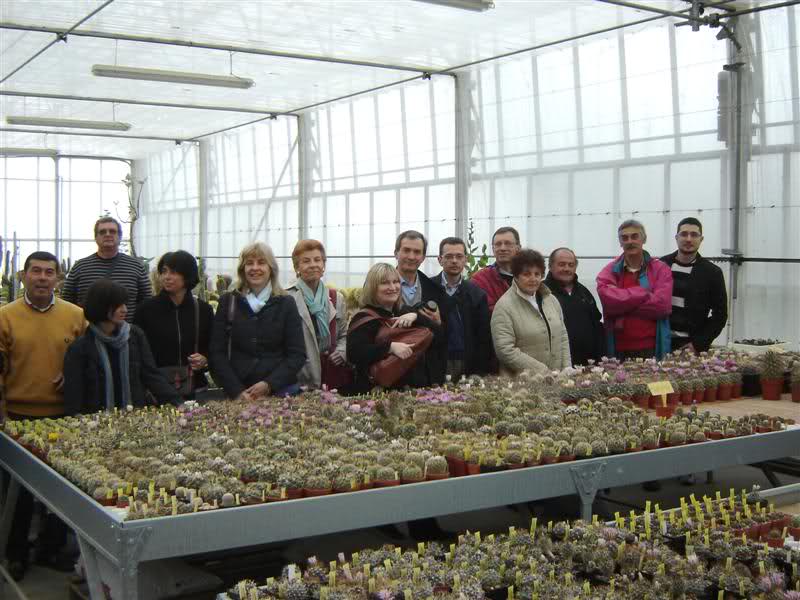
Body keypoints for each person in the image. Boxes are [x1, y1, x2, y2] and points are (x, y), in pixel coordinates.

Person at [0, 252, 85, 580]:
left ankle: (52, 548)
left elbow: (89, 355)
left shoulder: (75, 316)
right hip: (18, 417)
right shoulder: (5, 317)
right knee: (16, 494)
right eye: (35, 271)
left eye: (49, 272)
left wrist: (72, 370)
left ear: (58, 279)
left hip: (63, 417)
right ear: (23, 276)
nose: (42, 277)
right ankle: (16, 553)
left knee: (62, 490)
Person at [63, 280, 181, 414]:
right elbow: (74, 392)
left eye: (125, 304)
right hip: (96, 419)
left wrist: (177, 402)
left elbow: (151, 374)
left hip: (135, 416)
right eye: (117, 305)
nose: (124, 309)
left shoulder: (134, 335)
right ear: (101, 306)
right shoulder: (81, 347)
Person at [208, 242, 306, 400]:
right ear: (242, 269)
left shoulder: (286, 303)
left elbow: (297, 354)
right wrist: (236, 391)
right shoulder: (228, 302)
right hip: (239, 392)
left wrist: (269, 384)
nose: (255, 268)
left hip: (279, 393)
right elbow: (217, 352)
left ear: (271, 269)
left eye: (261, 263)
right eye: (249, 263)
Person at [346, 263, 440, 394]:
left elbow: (439, 337)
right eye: (385, 283)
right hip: (378, 393)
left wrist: (416, 317)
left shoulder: (405, 311)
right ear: (372, 288)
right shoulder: (364, 318)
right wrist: (390, 347)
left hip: (412, 390)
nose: (392, 287)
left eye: (396, 282)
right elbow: (354, 353)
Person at [134, 251, 214, 400]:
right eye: (164, 271)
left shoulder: (203, 310)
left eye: (174, 272)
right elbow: (138, 352)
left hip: (195, 388)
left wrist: (205, 359)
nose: (167, 277)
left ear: (188, 275)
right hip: (157, 391)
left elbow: (215, 345)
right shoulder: (145, 310)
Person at [596, 220, 673, 361]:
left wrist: (621, 302)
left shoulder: (660, 269)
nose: (629, 241)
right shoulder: (610, 270)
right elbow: (608, 303)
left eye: (634, 236)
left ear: (644, 239)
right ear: (620, 242)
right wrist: (643, 293)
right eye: (624, 238)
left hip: (651, 348)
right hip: (617, 348)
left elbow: (662, 306)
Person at [491, 249, 571, 375]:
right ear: (516, 276)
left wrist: (567, 369)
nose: (533, 279)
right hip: (522, 383)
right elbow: (505, 350)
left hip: (558, 379)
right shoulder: (504, 306)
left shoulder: (551, 300)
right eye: (526, 274)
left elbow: (562, 336)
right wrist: (542, 371)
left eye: (537, 274)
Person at [61, 216, 152, 322]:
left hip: (127, 330)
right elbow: (67, 302)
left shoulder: (136, 266)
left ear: (120, 237)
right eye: (102, 232)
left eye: (112, 231)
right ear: (96, 238)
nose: (108, 234)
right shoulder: (80, 267)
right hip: (88, 330)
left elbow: (147, 302)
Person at [286, 240, 348, 389]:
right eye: (306, 261)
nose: (313, 265)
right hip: (299, 377)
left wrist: (342, 351)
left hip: (331, 374)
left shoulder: (336, 298)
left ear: (323, 264)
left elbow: (345, 334)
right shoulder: (287, 298)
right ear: (297, 267)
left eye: (317, 260)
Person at [660, 217, 728, 353]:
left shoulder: (712, 273)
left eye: (694, 235)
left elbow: (720, 315)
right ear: (676, 238)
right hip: (660, 342)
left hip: (690, 347)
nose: (688, 239)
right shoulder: (661, 265)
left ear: (701, 239)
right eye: (684, 234)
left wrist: (698, 343)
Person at [432, 236, 491, 380]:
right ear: (440, 260)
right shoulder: (428, 289)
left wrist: (479, 371)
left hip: (467, 362)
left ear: (465, 260)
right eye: (449, 256)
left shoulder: (477, 294)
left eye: (459, 256)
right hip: (435, 362)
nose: (454, 261)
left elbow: (483, 337)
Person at [393, 230, 447, 385]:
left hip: (426, 372)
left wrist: (439, 323)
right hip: (392, 370)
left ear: (423, 257)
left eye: (417, 252)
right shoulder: (380, 286)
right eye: (406, 250)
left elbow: (443, 334)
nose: (411, 256)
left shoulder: (435, 289)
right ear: (396, 253)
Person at [543, 247, 604, 367]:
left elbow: (596, 324)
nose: (566, 269)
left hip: (588, 364)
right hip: (556, 364)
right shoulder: (542, 292)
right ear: (550, 266)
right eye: (561, 264)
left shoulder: (584, 292)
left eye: (571, 265)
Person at [470, 226, 521, 312]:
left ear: (518, 248)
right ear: (493, 249)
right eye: (498, 244)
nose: (502, 248)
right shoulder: (481, 279)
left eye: (508, 243)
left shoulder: (530, 276)